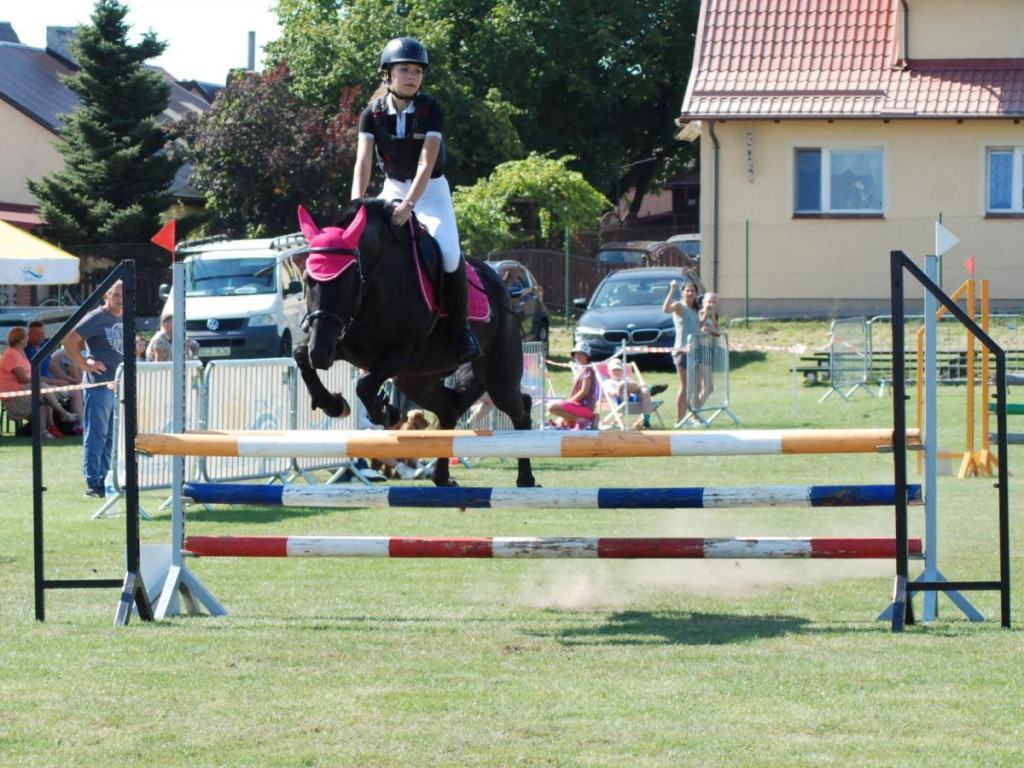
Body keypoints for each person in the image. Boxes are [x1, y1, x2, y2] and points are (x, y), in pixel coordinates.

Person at [351, 36, 481, 362]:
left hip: (431, 193)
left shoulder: (430, 109)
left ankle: (460, 329)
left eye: (417, 71)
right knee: (362, 244)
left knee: (449, 253)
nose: (412, 76)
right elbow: (363, 162)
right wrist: (356, 205)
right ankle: (354, 318)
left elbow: (426, 163)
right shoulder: (371, 114)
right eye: (404, 70)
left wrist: (409, 205)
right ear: (388, 75)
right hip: (392, 189)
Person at [63, 280, 124, 498]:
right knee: (97, 433)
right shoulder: (97, 317)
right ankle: (93, 482)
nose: (121, 299)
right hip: (99, 384)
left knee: (112, 435)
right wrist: (83, 364)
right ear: (106, 296)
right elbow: (69, 340)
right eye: (116, 294)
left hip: (119, 386)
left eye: (125, 295)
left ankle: (108, 477)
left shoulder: (125, 317)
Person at [1, 327, 76, 438]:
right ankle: (62, 413)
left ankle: (45, 429)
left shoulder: (21, 352)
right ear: (21, 339)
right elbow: (22, 378)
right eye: (26, 336)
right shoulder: (12, 354)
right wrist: (39, 381)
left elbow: (30, 377)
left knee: (43, 395)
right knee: (42, 388)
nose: (28, 339)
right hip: (15, 395)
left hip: (27, 390)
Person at [25, 320, 84, 433]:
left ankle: (79, 425)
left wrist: (68, 380)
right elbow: (32, 378)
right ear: (29, 335)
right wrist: (57, 381)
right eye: (37, 333)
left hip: (51, 384)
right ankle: (54, 423)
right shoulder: (26, 351)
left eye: (42, 333)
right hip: (39, 386)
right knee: (47, 391)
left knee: (75, 390)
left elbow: (54, 367)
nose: (41, 336)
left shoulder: (44, 347)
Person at [662, 279, 701, 426]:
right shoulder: (679, 306)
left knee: (695, 386)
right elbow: (665, 309)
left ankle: (693, 417)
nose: (690, 293)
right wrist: (672, 289)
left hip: (694, 351)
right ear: (683, 292)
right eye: (687, 290)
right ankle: (679, 420)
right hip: (682, 351)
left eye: (692, 291)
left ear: (696, 293)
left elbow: (697, 327)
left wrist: (707, 314)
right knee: (684, 387)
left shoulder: (695, 309)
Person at [601, 357, 666, 430]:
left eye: (619, 370)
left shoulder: (626, 379)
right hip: (620, 401)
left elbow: (635, 389)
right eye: (614, 370)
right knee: (622, 385)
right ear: (609, 371)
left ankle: (646, 423)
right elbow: (612, 393)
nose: (617, 372)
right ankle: (650, 389)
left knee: (644, 390)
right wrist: (621, 388)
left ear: (622, 371)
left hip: (632, 399)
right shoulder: (607, 382)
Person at [547, 341, 598, 429]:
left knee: (552, 407)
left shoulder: (588, 370)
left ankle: (583, 421)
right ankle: (584, 421)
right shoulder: (580, 370)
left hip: (585, 407)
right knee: (560, 421)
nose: (577, 356)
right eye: (576, 354)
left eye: (580, 354)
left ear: (586, 356)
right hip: (578, 406)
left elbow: (584, 392)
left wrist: (569, 401)